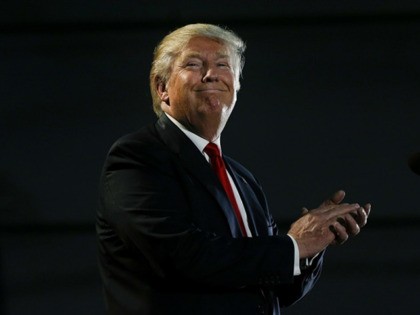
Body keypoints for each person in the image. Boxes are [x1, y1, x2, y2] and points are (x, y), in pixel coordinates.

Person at [96, 23, 371, 315]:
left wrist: (310, 249)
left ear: (236, 84)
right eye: (193, 63)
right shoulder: (137, 157)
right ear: (162, 88)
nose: (211, 73)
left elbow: (272, 290)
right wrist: (293, 246)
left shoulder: (243, 180)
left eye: (222, 64)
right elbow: (185, 257)